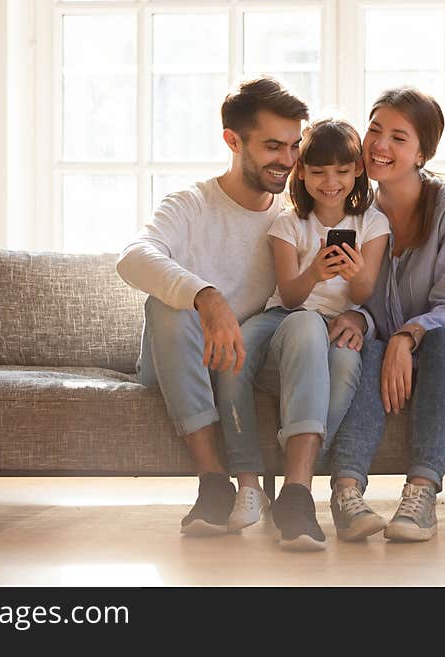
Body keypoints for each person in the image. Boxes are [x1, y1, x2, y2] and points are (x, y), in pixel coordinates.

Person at [115, 77, 368, 537]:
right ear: (233, 141)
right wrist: (205, 297)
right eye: (273, 146)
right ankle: (214, 484)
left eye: (294, 146)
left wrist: (358, 315)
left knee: (307, 325)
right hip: (183, 357)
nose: (288, 160)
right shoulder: (191, 204)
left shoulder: (296, 216)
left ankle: (296, 494)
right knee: (167, 307)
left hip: (254, 359)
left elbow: (339, 289)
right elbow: (133, 258)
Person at [326, 87, 445, 542]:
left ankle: (421, 496)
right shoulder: (357, 216)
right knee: (360, 346)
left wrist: (407, 336)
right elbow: (365, 302)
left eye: (398, 137)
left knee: (442, 341)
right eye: (374, 129)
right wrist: (358, 320)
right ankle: (346, 494)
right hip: (394, 358)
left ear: (422, 153)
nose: (380, 145)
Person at [214, 118, 389, 550]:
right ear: (302, 173)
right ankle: (249, 479)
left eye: (342, 171)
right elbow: (291, 296)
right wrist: (314, 271)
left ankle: (296, 483)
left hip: (337, 326)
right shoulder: (288, 224)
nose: (330, 182)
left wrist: (356, 273)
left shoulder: (372, 223)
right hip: (284, 318)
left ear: (357, 172)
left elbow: (366, 294)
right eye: (318, 171)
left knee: (347, 361)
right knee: (233, 358)